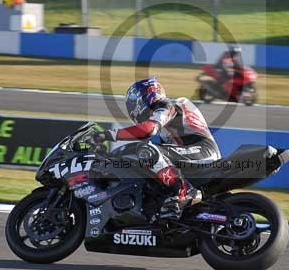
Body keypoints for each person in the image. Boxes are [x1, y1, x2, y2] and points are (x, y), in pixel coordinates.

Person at [91, 77, 221, 219]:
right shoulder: (164, 124)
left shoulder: (167, 105)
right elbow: (140, 146)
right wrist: (111, 156)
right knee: (146, 159)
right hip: (190, 155)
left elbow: (148, 131)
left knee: (147, 150)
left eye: (133, 103)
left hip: (203, 150)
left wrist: (107, 135)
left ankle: (184, 191)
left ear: (145, 96)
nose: (132, 109)